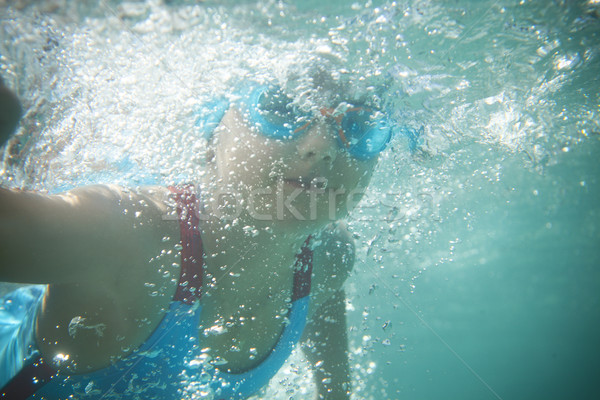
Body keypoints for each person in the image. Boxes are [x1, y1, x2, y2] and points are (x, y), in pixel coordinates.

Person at [0, 75, 394, 399]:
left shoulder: (331, 255)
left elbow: (324, 306)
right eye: (281, 108)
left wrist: (335, 391)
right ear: (213, 130)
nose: (323, 148)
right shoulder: (128, 236)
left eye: (358, 126)